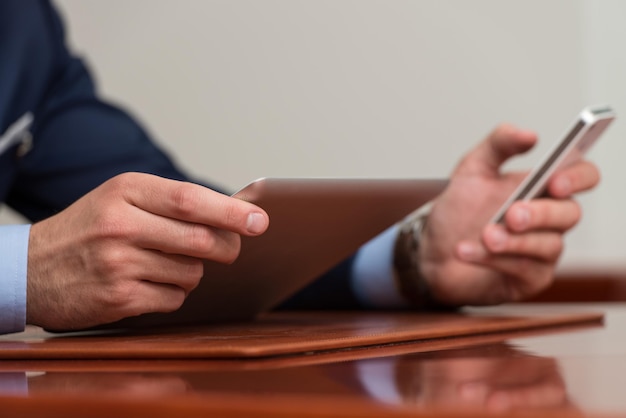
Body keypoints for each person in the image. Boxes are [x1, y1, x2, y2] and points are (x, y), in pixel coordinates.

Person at [0, 1, 599, 334]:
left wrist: (415, 260)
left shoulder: (25, 26)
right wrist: (21, 272)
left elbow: (179, 217)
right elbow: (43, 261)